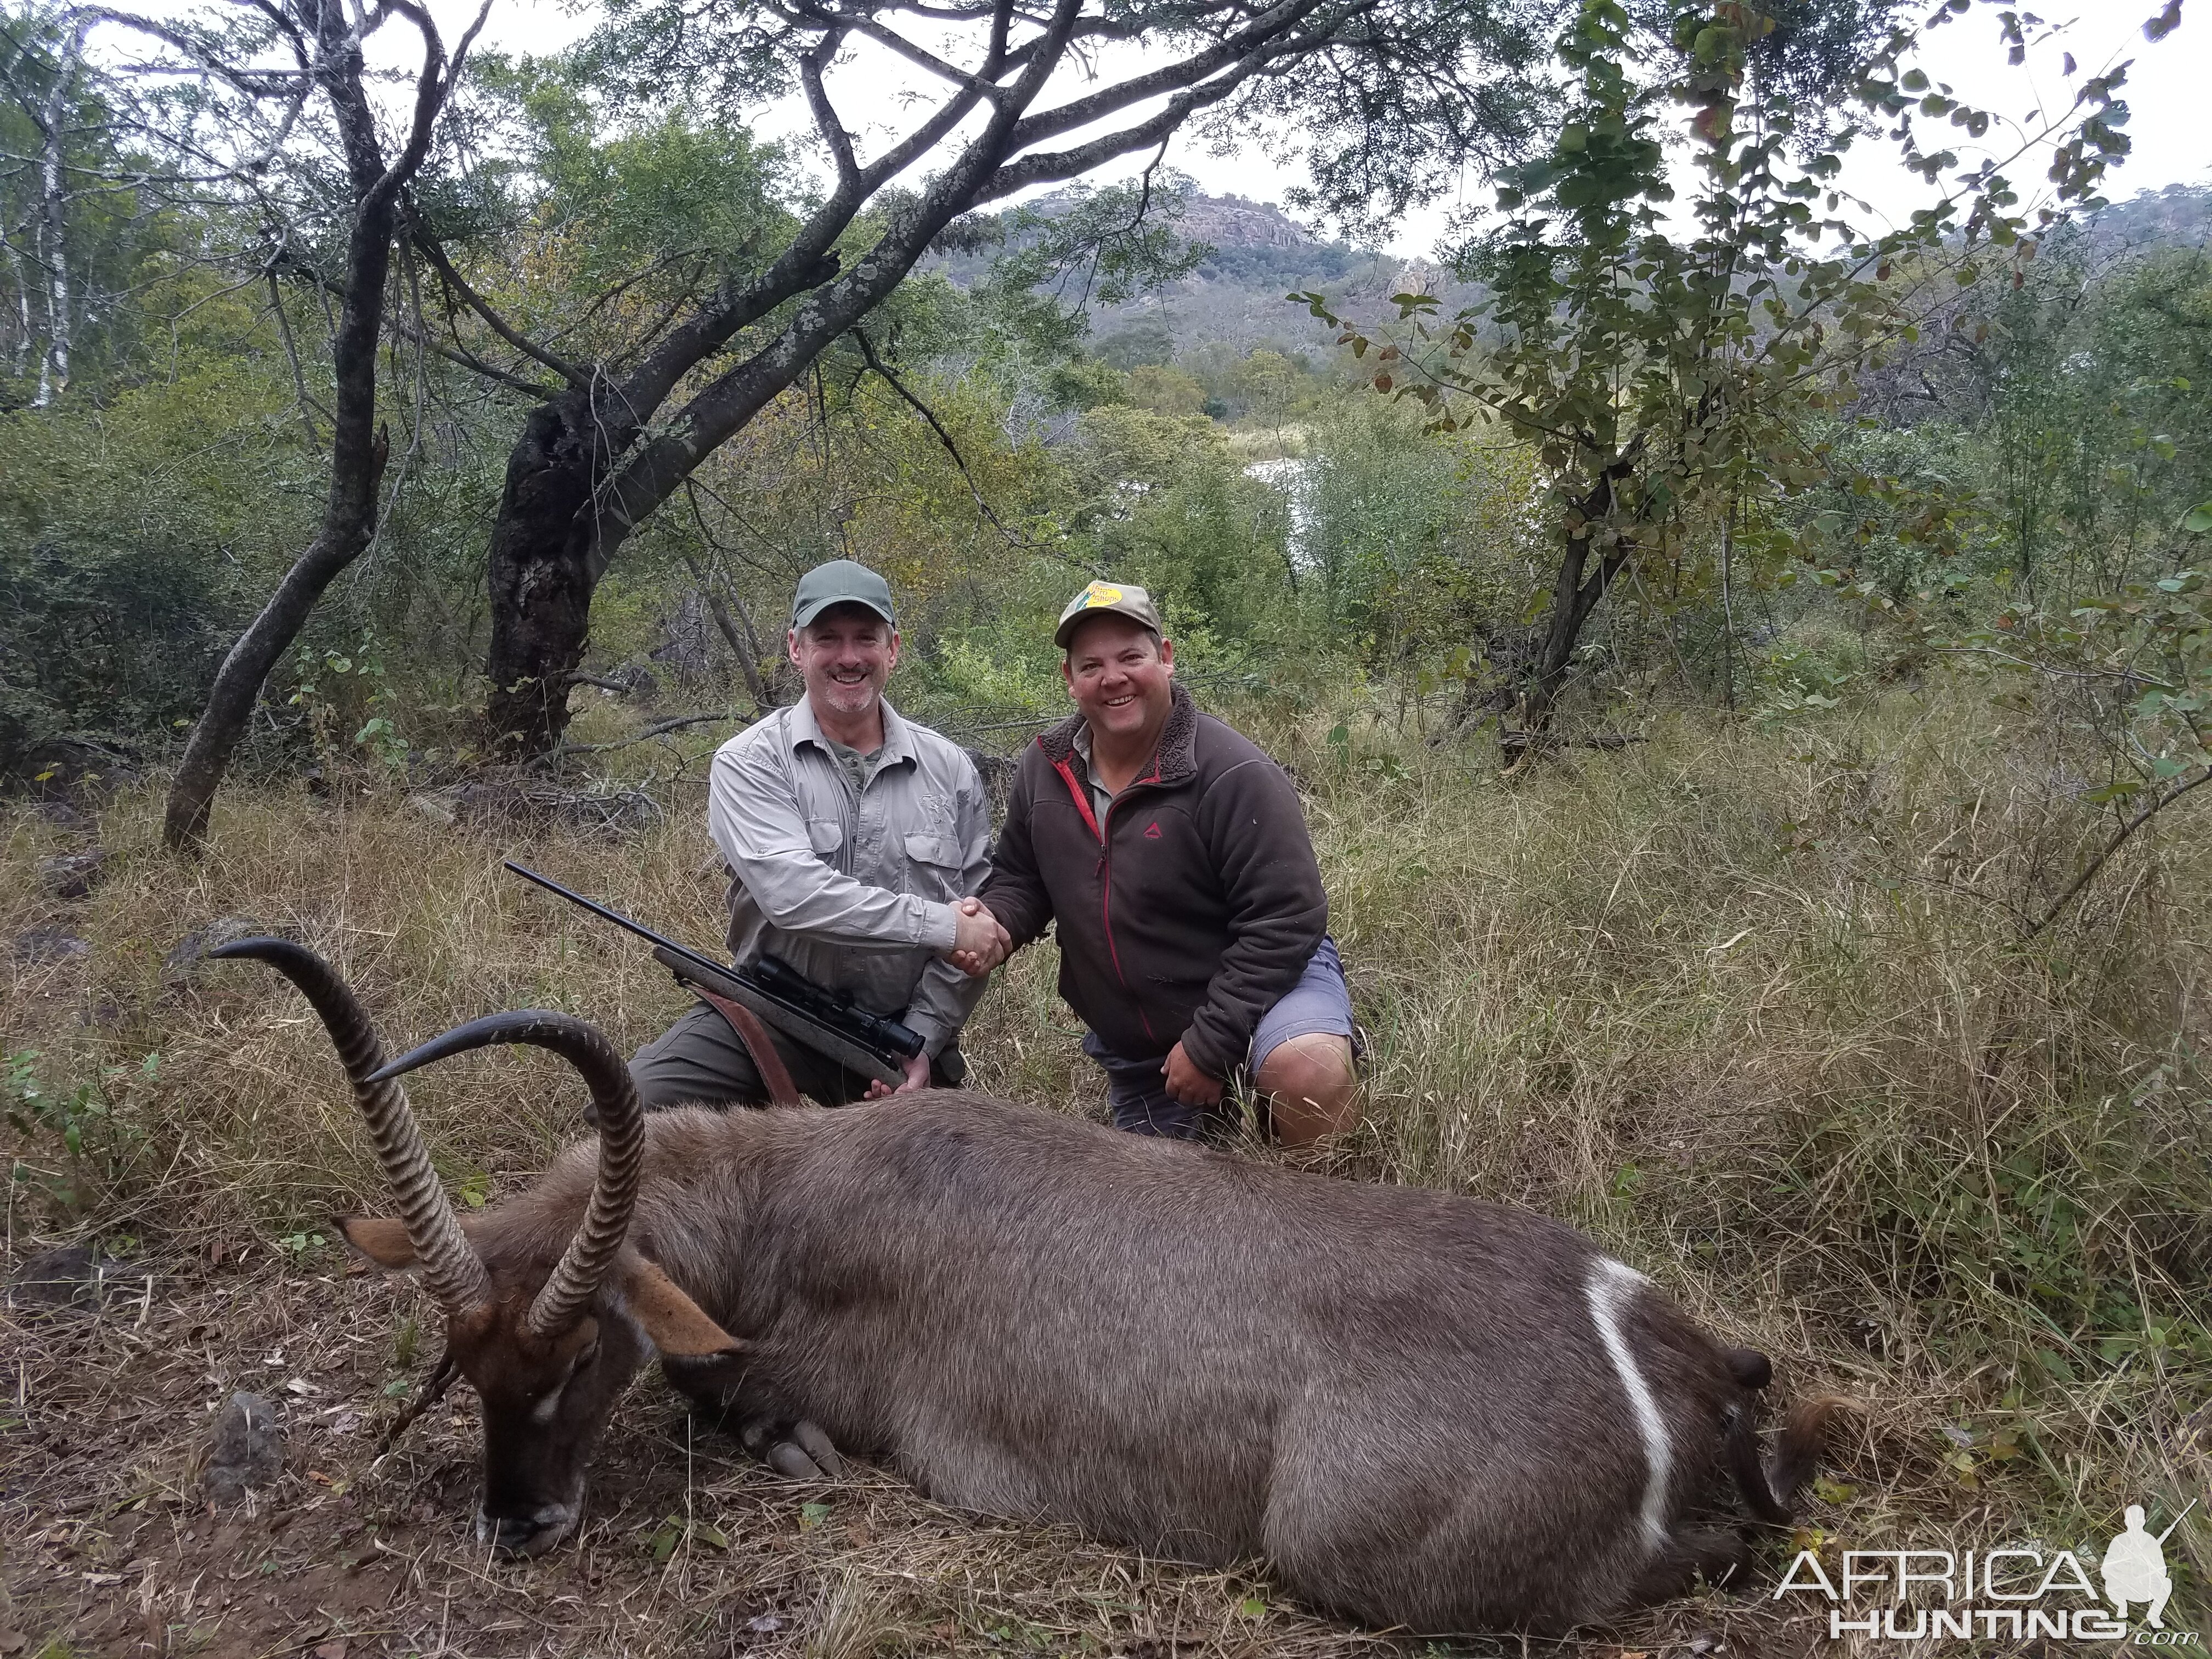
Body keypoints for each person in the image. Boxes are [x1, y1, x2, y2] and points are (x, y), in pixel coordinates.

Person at [972, 580, 1358, 1143]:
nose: (1113, 678)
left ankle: (1316, 1146)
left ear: (1167, 658)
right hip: (1143, 1048)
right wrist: (994, 925)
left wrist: (1210, 1045)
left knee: (1307, 1073)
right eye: (1091, 665)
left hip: (1265, 992)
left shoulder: (1232, 772)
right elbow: (1022, 877)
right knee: (1163, 1212)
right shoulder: (1044, 768)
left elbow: (1287, 920)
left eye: (1131, 657)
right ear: (1070, 680)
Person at [629, 558, 1008, 1108]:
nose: (849, 657)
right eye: (828, 638)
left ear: (893, 650)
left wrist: (921, 1041)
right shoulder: (750, 761)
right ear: (796, 648)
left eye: (866, 639)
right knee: (635, 1106)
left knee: (949, 1180)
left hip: (895, 1037)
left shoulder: (950, 770)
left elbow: (977, 933)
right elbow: (793, 898)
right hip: (767, 1011)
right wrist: (942, 925)